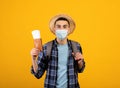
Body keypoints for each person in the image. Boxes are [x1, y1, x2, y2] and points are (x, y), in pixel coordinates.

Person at [30, 14, 85, 88]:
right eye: (58, 26)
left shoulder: (76, 46)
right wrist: (33, 59)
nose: (61, 29)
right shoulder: (46, 47)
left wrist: (80, 62)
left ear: (68, 29)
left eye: (64, 26)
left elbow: (80, 69)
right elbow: (38, 74)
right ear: (54, 29)